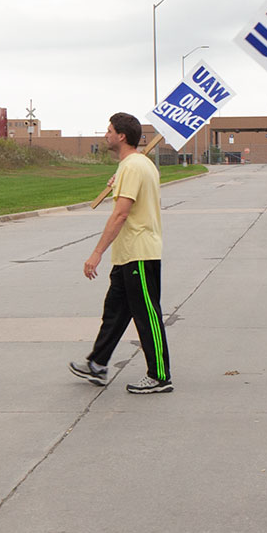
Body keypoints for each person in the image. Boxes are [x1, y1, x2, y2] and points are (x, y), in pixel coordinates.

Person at [69, 113, 172, 394]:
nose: (106, 135)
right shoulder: (136, 165)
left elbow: (121, 214)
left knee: (147, 314)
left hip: (139, 252)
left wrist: (96, 253)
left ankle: (160, 376)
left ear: (121, 136)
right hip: (127, 255)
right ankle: (97, 364)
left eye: (109, 130)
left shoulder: (134, 167)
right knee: (114, 312)